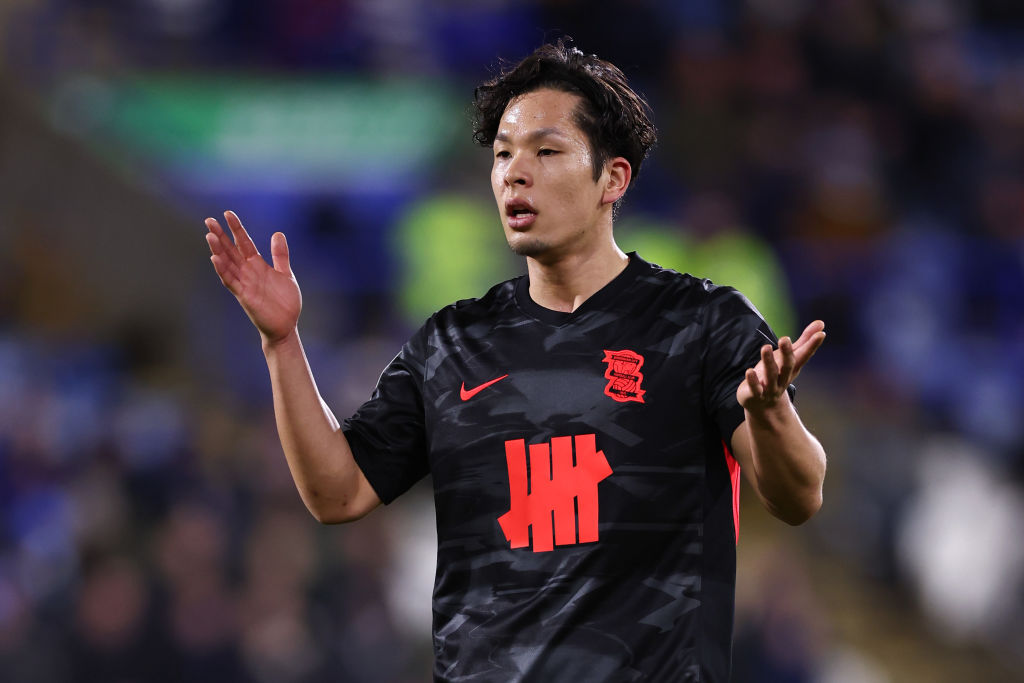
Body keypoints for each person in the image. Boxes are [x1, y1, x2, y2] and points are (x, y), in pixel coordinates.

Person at [204, 39, 827, 683]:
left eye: (546, 151)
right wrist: (282, 344)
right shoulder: (451, 343)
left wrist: (771, 411)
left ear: (612, 178)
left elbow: (798, 494)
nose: (513, 173)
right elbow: (338, 492)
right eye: (503, 154)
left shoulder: (701, 323)